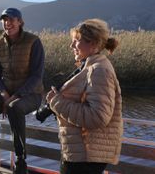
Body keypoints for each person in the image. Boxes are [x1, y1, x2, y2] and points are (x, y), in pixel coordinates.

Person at [0, 7, 45, 174]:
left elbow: (37, 77)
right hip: (7, 92)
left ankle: (21, 161)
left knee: (15, 107)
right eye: (4, 20)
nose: (7, 23)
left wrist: (14, 97)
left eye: (11, 19)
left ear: (20, 22)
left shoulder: (33, 42)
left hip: (31, 94)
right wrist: (4, 95)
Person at [46, 18, 123, 174]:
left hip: (86, 157)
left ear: (93, 44)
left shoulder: (99, 70)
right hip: (82, 153)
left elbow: (97, 117)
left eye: (76, 41)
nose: (71, 46)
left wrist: (57, 102)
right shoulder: (93, 66)